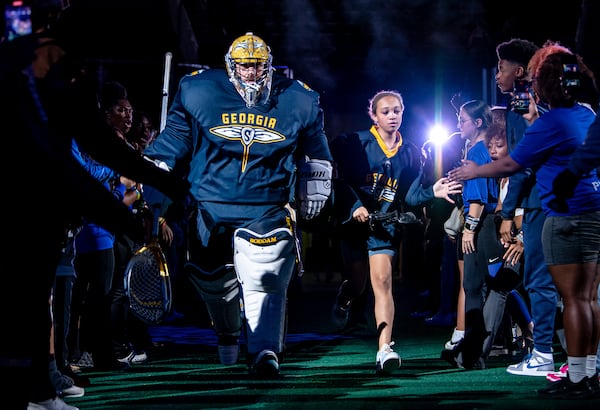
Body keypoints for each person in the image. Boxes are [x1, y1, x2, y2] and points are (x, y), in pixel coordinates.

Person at [0, 2, 188, 408]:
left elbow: (98, 146)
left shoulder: (50, 68)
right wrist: (123, 216)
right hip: (25, 209)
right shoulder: (35, 71)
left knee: (35, 305)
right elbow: (64, 164)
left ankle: (40, 390)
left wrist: (164, 181)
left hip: (42, 210)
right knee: (28, 305)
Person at [142, 32, 333, 378]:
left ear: (269, 65)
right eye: (244, 65)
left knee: (265, 271)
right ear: (231, 65)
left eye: (257, 65)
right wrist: (155, 171)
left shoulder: (298, 98)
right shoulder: (197, 89)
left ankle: (264, 352)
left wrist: (318, 175)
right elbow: (173, 141)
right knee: (215, 283)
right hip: (209, 205)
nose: (251, 73)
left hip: (267, 204)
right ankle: (227, 333)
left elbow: (315, 145)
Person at [449, 46, 600, 398]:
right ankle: (587, 370)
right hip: (592, 209)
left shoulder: (541, 115)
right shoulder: (587, 112)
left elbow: (516, 164)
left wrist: (497, 197)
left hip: (556, 213)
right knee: (589, 298)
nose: (498, 75)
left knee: (563, 295)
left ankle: (561, 366)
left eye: (503, 68)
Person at [329, 90, 462, 375]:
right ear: (373, 115)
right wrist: (354, 206)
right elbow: (336, 181)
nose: (392, 116)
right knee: (358, 284)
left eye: (397, 110)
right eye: (386, 111)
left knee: (383, 282)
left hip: (384, 225)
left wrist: (433, 192)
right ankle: (345, 298)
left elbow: (411, 196)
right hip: (354, 225)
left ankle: (384, 349)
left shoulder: (411, 151)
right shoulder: (355, 143)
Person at [490, 38, 567, 379]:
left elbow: (523, 164)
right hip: (565, 199)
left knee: (539, 281)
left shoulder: (522, 102)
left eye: (501, 68)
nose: (497, 75)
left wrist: (508, 213)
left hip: (538, 203)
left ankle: (543, 355)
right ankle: (580, 357)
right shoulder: (549, 101)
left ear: (519, 71)